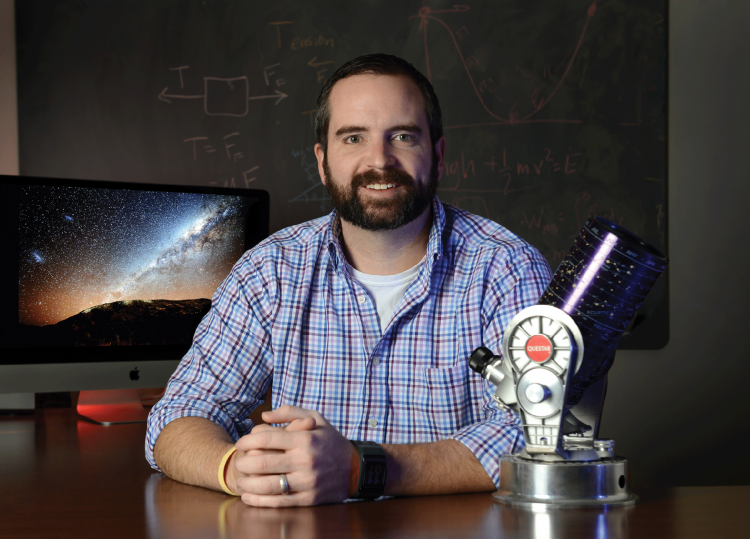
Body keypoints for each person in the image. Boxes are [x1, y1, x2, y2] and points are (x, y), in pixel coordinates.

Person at [145, 53, 552, 508]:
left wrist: (363, 469)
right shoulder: (270, 270)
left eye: (402, 136)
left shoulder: (507, 269)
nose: (379, 160)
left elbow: (541, 433)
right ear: (322, 162)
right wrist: (234, 470)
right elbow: (179, 415)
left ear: (438, 156)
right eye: (354, 137)